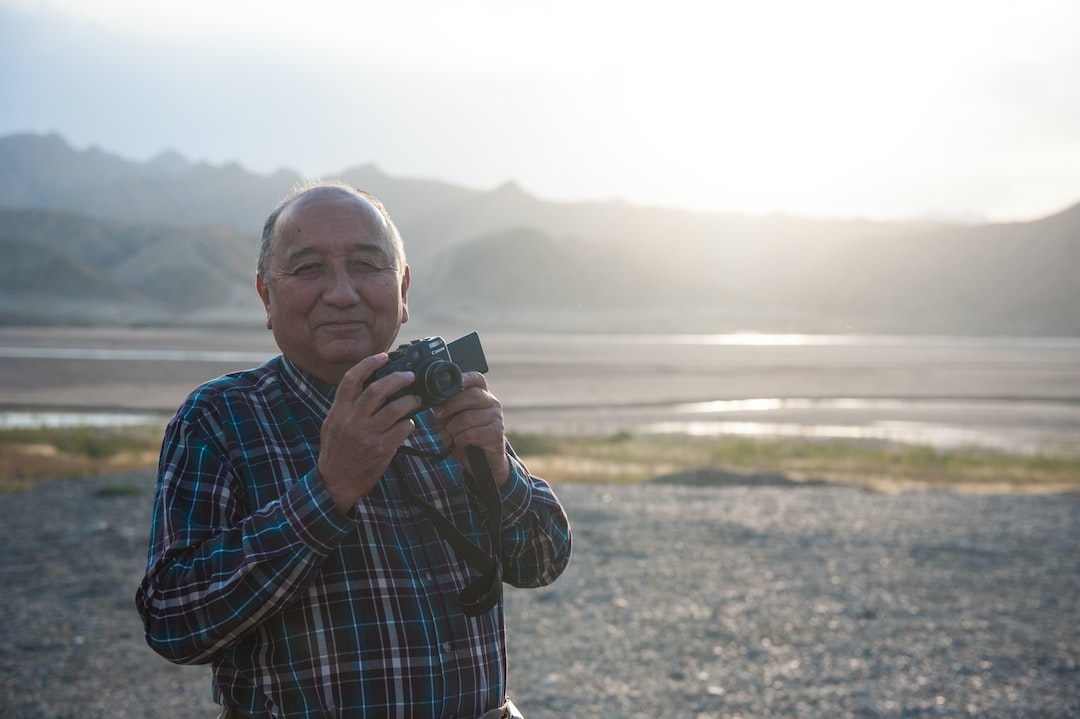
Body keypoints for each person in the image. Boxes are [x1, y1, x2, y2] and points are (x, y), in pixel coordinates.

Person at [136, 182, 572, 719]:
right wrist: (328, 490)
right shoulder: (222, 418)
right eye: (308, 269)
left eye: (367, 265)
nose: (342, 293)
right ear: (266, 297)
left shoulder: (441, 401)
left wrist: (500, 473)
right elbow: (173, 622)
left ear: (404, 289)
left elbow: (544, 560)